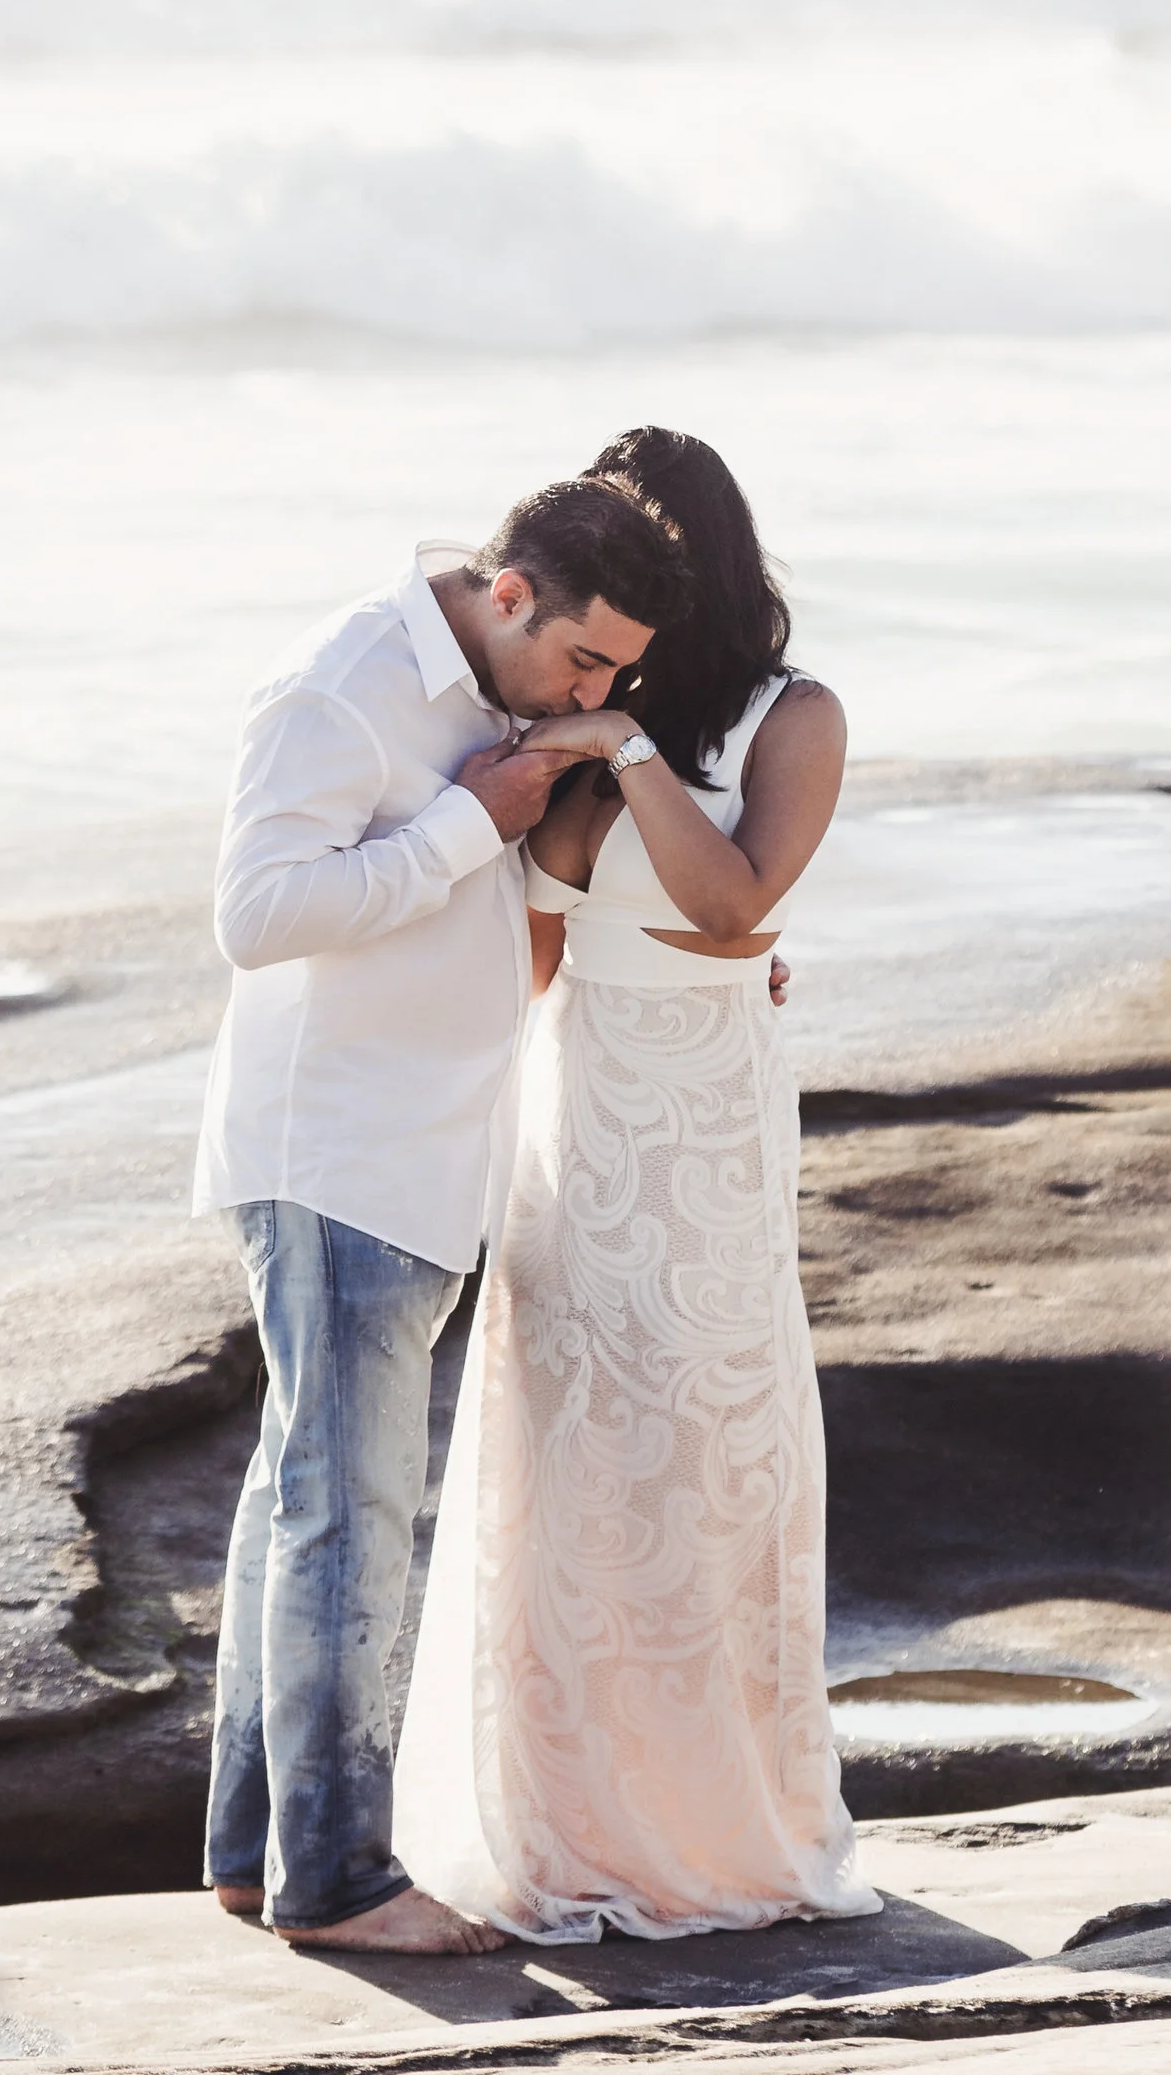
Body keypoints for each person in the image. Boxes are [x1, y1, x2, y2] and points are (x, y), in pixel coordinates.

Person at [395, 424, 881, 1944]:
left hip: (708, 1125)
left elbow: (735, 909)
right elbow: (532, 957)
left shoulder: (792, 717)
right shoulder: (572, 714)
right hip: (577, 1112)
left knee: (708, 1454)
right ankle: (563, 1820)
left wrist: (631, 755)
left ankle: (718, 1822)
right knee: (571, 1463)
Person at [193, 477, 693, 1954]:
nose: (592, 695)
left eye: (615, 677)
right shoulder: (343, 684)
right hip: (338, 1152)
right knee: (350, 1519)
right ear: (510, 592)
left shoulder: (496, 690)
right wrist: (471, 821)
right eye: (585, 661)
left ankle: (256, 1854)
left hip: (416, 1155)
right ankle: (338, 1885)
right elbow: (257, 916)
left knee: (302, 1501)